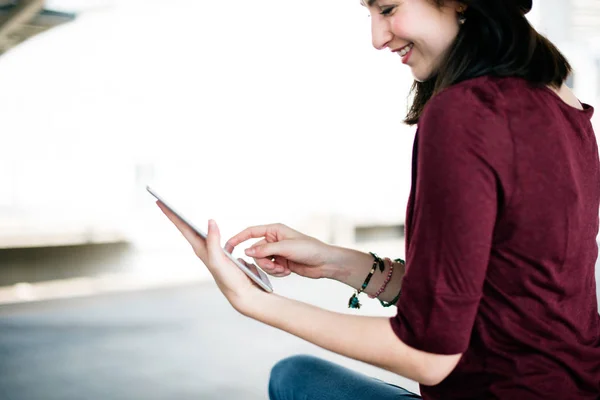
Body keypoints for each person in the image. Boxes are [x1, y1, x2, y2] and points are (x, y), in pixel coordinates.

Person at [156, 0, 600, 398]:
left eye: (387, 8)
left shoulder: (466, 111)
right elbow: (486, 296)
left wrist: (257, 303)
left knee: (293, 379)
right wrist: (334, 262)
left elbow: (429, 353)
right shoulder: (560, 101)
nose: (376, 38)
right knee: (297, 377)